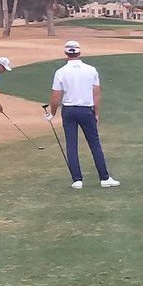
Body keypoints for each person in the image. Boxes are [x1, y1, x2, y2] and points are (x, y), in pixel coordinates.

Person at [45, 40, 119, 189]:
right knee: (94, 144)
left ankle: (77, 180)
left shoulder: (60, 72)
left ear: (66, 53)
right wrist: (96, 113)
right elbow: (96, 94)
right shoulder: (91, 70)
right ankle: (104, 178)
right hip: (86, 110)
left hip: (69, 111)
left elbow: (55, 96)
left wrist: (52, 113)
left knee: (71, 145)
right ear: (79, 52)